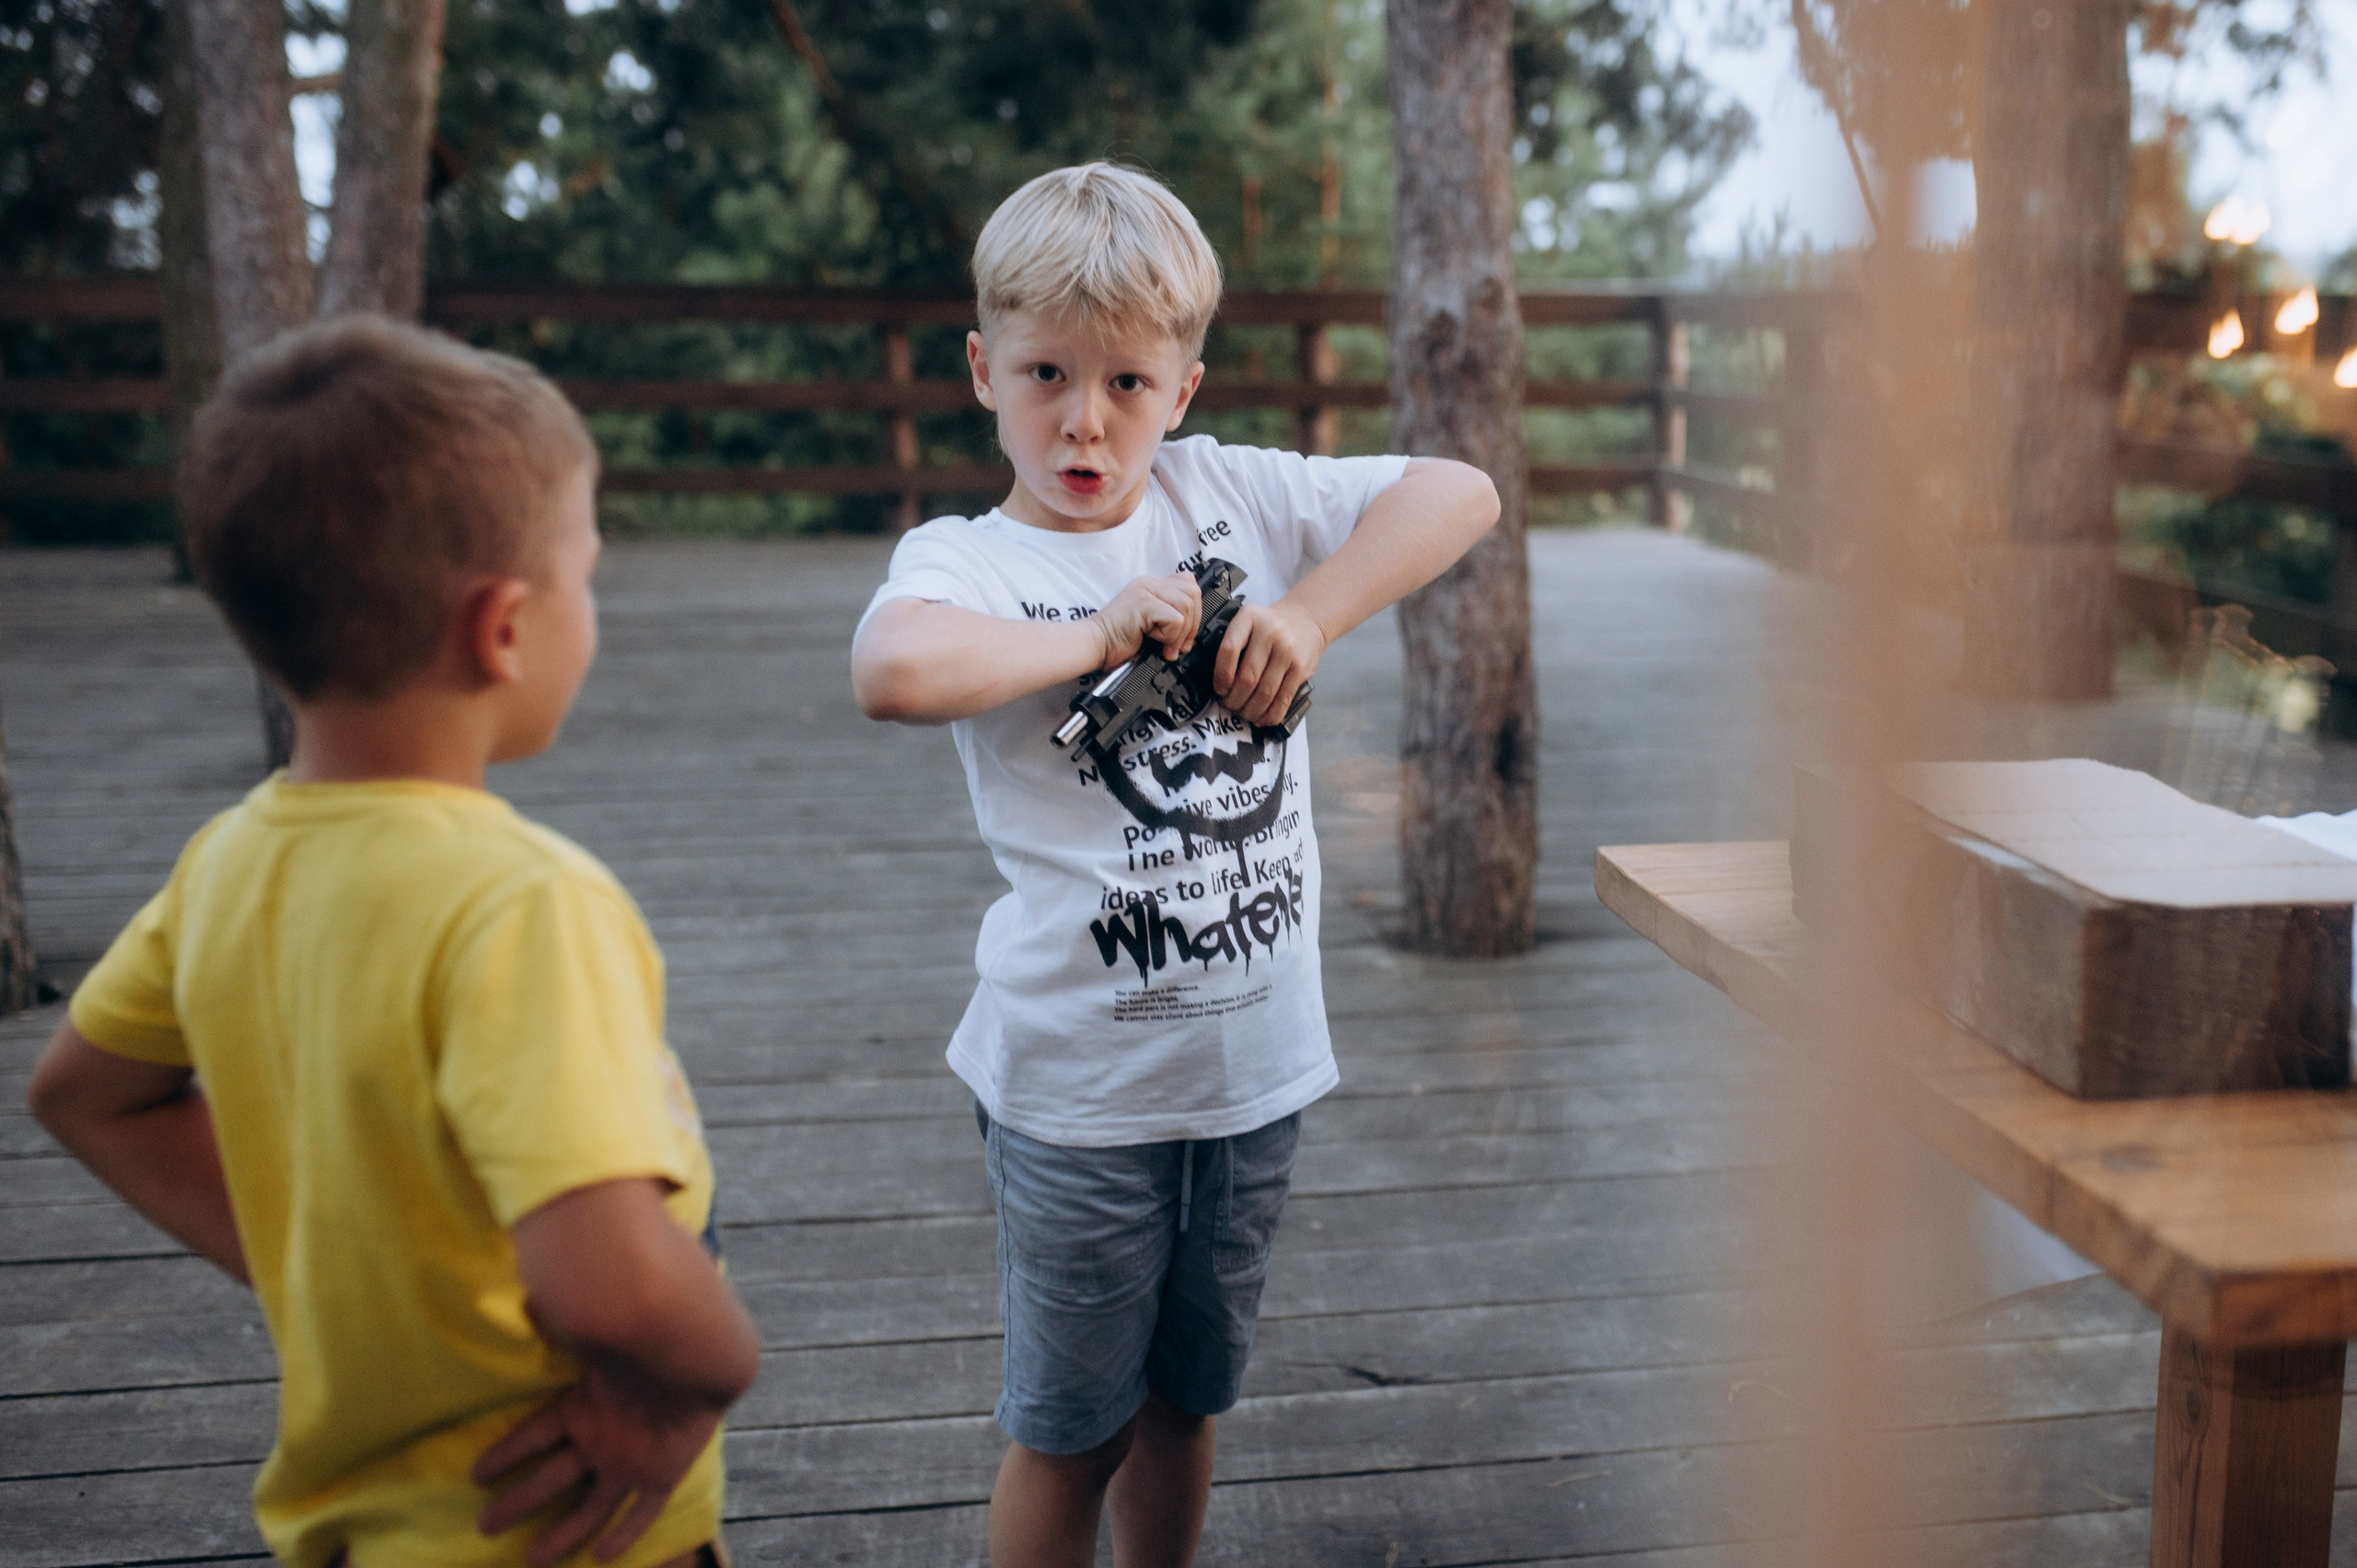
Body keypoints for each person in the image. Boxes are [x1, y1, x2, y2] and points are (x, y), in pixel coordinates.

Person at [27, 317, 759, 1568]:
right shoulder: (520, 905)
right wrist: (704, 1379)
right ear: (503, 629)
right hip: (568, 1531)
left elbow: (83, 1094)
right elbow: (618, 1288)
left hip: (358, 1533)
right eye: (586, 576)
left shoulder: (225, 866)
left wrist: (323, 1270)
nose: (593, 606)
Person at [851, 163, 1500, 1566]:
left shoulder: (1230, 494)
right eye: (1045, 374)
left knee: (1187, 1404)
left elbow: (1461, 491)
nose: (1085, 420)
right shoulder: (966, 560)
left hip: (1253, 1078)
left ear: (1184, 389)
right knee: (1070, 1430)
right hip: (1079, 1097)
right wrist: (1096, 634)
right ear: (983, 371)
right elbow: (892, 670)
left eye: (1128, 384)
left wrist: (1309, 617)